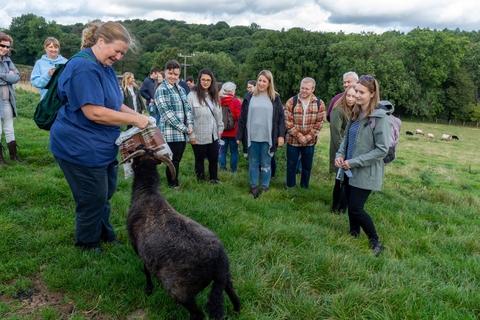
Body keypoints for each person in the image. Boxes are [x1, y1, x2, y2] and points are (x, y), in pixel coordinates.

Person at [49, 21, 150, 253]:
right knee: (92, 197)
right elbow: (94, 112)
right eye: (117, 51)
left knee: (104, 193)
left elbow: (115, 105)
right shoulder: (84, 68)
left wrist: (141, 117)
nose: (118, 57)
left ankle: (105, 234)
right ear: (101, 41)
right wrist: (135, 121)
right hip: (79, 147)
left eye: (122, 54)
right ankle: (86, 244)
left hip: (101, 146)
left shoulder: (104, 67)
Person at [335, 75, 389, 257]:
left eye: (361, 92)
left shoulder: (379, 118)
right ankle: (353, 234)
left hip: (364, 171)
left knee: (357, 208)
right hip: (348, 168)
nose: (356, 95)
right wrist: (340, 154)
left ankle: (375, 241)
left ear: (372, 94)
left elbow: (382, 150)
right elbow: (347, 139)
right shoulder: (356, 112)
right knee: (350, 204)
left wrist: (354, 162)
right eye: (356, 91)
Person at [236, 70, 285, 198]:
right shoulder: (249, 97)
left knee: (265, 163)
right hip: (251, 137)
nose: (261, 83)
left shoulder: (275, 98)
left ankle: (265, 186)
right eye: (260, 80)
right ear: (257, 81)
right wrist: (239, 136)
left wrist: (281, 136)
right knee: (253, 163)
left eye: (265, 81)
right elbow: (242, 118)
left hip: (268, 137)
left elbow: (281, 118)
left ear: (269, 83)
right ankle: (253, 187)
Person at [156, 59, 194, 189]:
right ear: (165, 72)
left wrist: (190, 125)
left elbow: (187, 109)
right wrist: (184, 128)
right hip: (171, 132)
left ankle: (175, 181)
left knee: (177, 159)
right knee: (172, 161)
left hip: (183, 132)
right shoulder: (162, 90)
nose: (173, 76)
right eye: (170, 73)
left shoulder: (181, 89)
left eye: (176, 74)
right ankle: (172, 184)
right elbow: (167, 114)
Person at [284, 77, 325, 189]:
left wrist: (308, 137)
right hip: (293, 140)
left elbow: (319, 122)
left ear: (313, 89)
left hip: (310, 141)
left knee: (307, 166)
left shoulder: (319, 103)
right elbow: (287, 121)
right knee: (291, 165)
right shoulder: (291, 101)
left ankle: (304, 187)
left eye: (307, 89)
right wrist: (299, 135)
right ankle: (290, 186)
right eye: (302, 88)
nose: (304, 91)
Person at [188, 68, 224, 183]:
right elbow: (188, 116)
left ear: (211, 81)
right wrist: (191, 135)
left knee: (213, 158)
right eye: (203, 79)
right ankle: (200, 180)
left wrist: (220, 129)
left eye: (208, 80)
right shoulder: (192, 96)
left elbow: (219, 115)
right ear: (199, 80)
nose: (205, 82)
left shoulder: (214, 96)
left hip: (213, 134)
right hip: (198, 134)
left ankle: (214, 178)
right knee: (199, 159)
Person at [330, 85, 356, 213]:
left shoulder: (355, 110)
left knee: (348, 180)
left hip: (351, 152)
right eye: (348, 95)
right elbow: (336, 134)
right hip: (340, 149)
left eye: (354, 96)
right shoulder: (338, 110)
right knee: (340, 180)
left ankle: (343, 207)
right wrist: (343, 153)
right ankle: (336, 207)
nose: (350, 99)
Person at [0, 32, 21, 165]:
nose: (5, 49)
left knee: (9, 127)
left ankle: (14, 156)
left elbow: (17, 77)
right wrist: (8, 76)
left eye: (8, 47)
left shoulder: (8, 60)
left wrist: (3, 76)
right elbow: (10, 78)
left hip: (7, 99)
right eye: (3, 45)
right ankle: (0, 159)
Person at [219, 82, 241, 172]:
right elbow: (239, 117)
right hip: (234, 132)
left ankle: (222, 169)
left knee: (222, 152)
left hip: (221, 131)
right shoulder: (236, 102)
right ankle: (233, 170)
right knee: (234, 152)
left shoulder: (218, 100)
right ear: (232, 90)